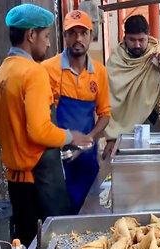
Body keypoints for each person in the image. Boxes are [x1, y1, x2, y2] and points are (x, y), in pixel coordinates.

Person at [0, 3, 92, 245]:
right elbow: (38, 131)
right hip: (40, 184)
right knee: (54, 248)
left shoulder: (2, 73)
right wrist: (71, 137)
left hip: (17, 185)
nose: (49, 44)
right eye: (46, 36)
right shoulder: (33, 73)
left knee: (29, 246)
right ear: (31, 35)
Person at [42, 10, 111, 214]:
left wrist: (87, 140)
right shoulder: (48, 69)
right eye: (72, 33)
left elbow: (105, 114)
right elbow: (43, 117)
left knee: (87, 213)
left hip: (87, 161)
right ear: (65, 37)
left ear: (91, 36)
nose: (78, 39)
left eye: (83, 33)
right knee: (59, 215)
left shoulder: (99, 72)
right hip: (57, 161)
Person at [102, 15, 160, 159]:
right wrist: (111, 137)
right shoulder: (115, 61)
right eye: (132, 40)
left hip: (152, 125)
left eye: (141, 40)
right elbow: (109, 100)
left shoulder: (158, 52)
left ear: (148, 36)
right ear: (124, 37)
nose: (137, 45)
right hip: (123, 131)